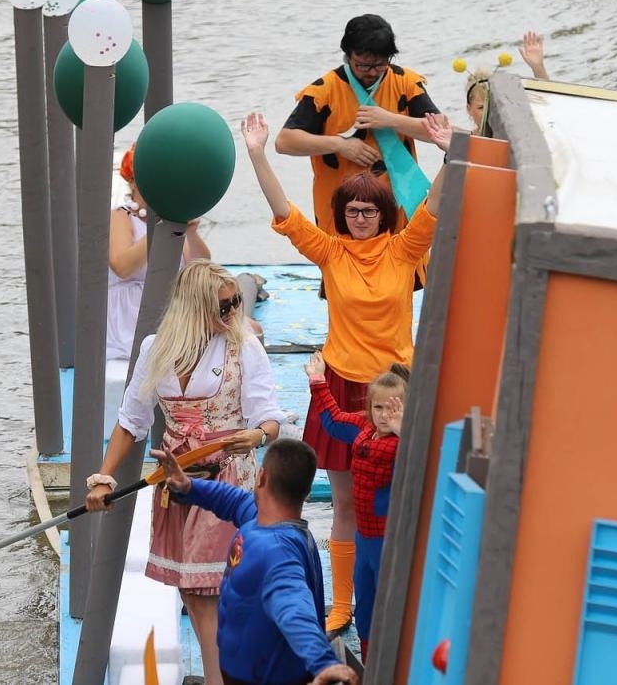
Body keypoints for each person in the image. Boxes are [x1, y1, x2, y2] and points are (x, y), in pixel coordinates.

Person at [242, 110, 453, 635]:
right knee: (345, 503)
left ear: (384, 213)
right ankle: (343, 604)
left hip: (395, 387)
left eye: (369, 210)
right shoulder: (331, 253)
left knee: (404, 496)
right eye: (352, 210)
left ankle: (405, 597)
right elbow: (285, 212)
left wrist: (452, 152)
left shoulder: (405, 250)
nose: (360, 217)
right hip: (339, 384)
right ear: (342, 214)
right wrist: (257, 154)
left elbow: (436, 204)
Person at [85, 261, 286, 685]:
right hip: (177, 483)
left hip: (229, 479)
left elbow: (270, 418)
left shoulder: (244, 346)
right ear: (194, 309)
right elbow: (131, 421)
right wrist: (104, 476)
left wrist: (255, 436)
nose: (234, 313)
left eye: (235, 303)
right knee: (193, 592)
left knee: (209, 590)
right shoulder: (155, 349)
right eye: (225, 306)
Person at [150, 439, 358, 685]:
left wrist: (323, 662)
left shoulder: (277, 553)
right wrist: (188, 487)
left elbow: (294, 608)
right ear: (307, 492)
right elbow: (233, 499)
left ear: (261, 478)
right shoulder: (260, 520)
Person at [274, 14, 439, 234]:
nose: (371, 72)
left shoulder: (405, 82)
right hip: (342, 207)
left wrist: (391, 120)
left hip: (397, 202)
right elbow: (284, 142)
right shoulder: (325, 90)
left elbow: (439, 132)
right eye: (362, 66)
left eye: (379, 65)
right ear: (347, 55)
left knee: (403, 262)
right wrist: (340, 145)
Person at [305, 355, 407, 661]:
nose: (385, 415)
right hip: (364, 538)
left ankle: (392, 664)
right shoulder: (363, 428)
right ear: (369, 408)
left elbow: (420, 463)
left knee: (389, 606)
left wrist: (405, 430)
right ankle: (368, 659)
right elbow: (333, 420)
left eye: (393, 408)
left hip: (388, 541)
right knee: (364, 602)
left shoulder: (406, 441)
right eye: (379, 407)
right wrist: (318, 381)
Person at [108, 145, 212, 362]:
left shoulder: (173, 215)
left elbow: (202, 266)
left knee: (249, 329)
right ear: (133, 182)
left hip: (175, 309)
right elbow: (122, 267)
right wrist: (160, 228)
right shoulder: (121, 216)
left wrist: (190, 234)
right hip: (131, 317)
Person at [465, 30, 549, 133]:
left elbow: (545, 102)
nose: (488, 112)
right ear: (469, 109)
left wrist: (538, 67)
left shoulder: (517, 130)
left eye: (493, 105)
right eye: (481, 107)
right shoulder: (467, 141)